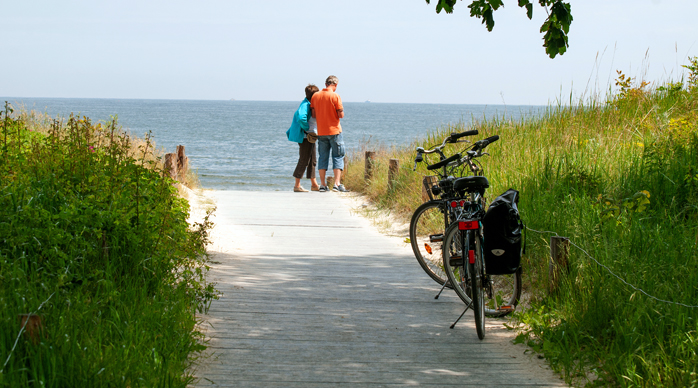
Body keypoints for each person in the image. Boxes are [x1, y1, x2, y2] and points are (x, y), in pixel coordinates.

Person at [311, 75, 348, 192]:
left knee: (323, 157)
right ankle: (337, 184)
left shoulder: (315, 96)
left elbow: (313, 114)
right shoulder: (335, 96)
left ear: (326, 84)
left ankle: (322, 184)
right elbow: (341, 115)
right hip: (335, 131)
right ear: (335, 85)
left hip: (321, 131)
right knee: (338, 156)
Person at [286, 84, 320, 192]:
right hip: (306, 136)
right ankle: (297, 185)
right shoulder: (305, 105)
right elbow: (301, 118)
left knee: (312, 160)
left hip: (310, 136)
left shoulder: (309, 103)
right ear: (313, 96)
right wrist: (307, 129)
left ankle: (314, 184)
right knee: (304, 160)